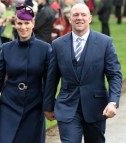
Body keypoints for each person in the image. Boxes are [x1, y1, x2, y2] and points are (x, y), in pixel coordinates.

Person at [43, 3, 122, 143]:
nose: (80, 18)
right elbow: (52, 77)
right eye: (75, 15)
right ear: (70, 18)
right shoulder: (58, 44)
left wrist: (113, 102)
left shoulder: (105, 43)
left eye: (83, 15)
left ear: (90, 18)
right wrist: (48, 106)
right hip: (67, 107)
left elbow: (114, 74)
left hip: (96, 108)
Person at [0, 5, 51, 143]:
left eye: (27, 23)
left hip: (34, 106)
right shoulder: (6, 48)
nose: (23, 27)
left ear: (33, 23)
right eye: (20, 23)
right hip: (10, 104)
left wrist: (49, 105)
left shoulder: (45, 49)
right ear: (15, 24)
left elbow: (49, 81)